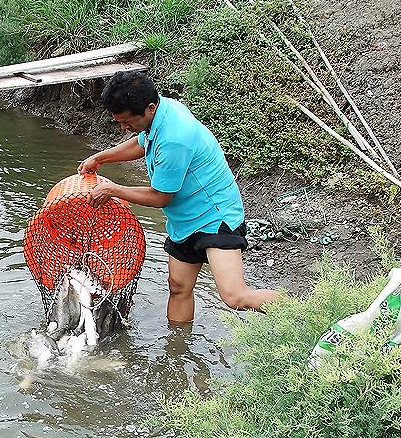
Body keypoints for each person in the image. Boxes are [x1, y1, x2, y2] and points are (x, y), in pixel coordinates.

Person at [78, 71, 279, 323]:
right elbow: (141, 143)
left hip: (215, 216)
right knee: (178, 287)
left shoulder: (175, 137)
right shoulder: (161, 112)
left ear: (149, 108)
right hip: (185, 219)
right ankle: (177, 351)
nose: (123, 128)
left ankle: (308, 310)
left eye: (127, 122)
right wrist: (100, 158)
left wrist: (114, 190)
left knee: (235, 297)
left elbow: (161, 197)